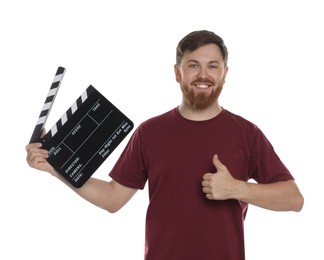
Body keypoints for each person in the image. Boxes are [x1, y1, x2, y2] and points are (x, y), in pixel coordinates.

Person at [26, 30, 304, 260]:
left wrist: (237, 189)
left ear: (225, 73)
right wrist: (55, 167)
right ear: (177, 72)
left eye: (212, 66)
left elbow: (294, 198)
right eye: (193, 65)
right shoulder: (149, 132)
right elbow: (113, 198)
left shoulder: (247, 133)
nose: (203, 74)